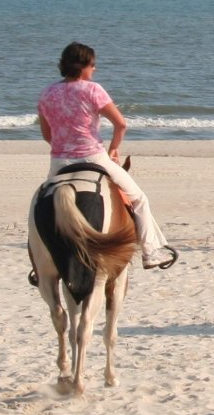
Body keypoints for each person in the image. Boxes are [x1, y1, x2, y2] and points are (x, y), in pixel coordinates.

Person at [37, 41, 178, 270]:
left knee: (41, 205)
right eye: (93, 65)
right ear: (83, 66)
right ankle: (150, 253)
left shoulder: (47, 93)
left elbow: (47, 134)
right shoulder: (93, 90)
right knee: (139, 198)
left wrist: (66, 146)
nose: (95, 69)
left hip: (59, 162)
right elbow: (121, 124)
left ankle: (41, 264)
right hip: (93, 157)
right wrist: (113, 149)